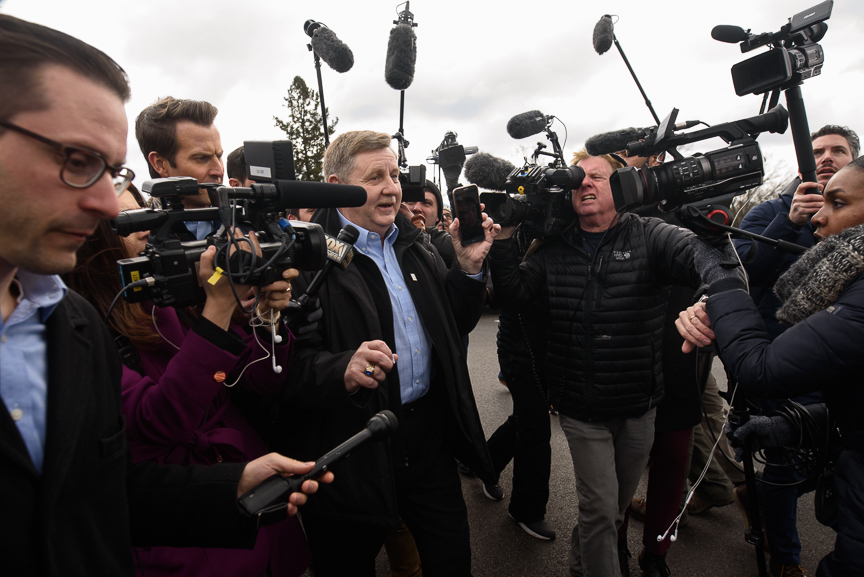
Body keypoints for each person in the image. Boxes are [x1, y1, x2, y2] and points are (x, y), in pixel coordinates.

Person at [0, 15, 328, 576]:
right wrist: (219, 308)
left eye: (110, 169)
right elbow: (156, 425)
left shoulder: (64, 319)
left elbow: (98, 498)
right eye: (77, 161)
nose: (109, 205)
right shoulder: (103, 296)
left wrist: (229, 485)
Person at [270, 130, 498, 577]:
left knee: (452, 561)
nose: (392, 187)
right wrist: (343, 369)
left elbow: (451, 327)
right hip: (351, 451)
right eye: (375, 177)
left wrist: (468, 270)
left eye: (393, 174)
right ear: (336, 185)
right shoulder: (302, 258)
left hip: (428, 441)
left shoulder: (416, 244)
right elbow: (285, 370)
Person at [64, 184, 312, 577]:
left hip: (245, 483)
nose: (147, 229)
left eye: (144, 211)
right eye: (128, 223)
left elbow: (261, 379)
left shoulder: (168, 295)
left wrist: (266, 318)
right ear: (93, 241)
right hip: (184, 521)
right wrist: (217, 309)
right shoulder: (82, 325)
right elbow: (159, 419)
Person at [488, 149, 700, 577]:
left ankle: (579, 563)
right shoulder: (551, 251)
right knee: (601, 511)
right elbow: (511, 294)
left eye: (598, 177)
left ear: (620, 186)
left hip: (640, 404)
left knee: (614, 507)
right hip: (581, 408)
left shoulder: (651, 235)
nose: (585, 184)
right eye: (577, 180)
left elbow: (698, 256)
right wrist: (506, 235)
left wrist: (716, 297)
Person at [677, 156, 864, 577]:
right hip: (791, 362)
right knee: (781, 465)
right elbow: (753, 266)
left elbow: (758, 366)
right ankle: (784, 553)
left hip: (775, 358)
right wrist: (801, 425)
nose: (819, 217)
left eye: (838, 202)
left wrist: (720, 277)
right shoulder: (772, 211)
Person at [731, 125, 859, 577]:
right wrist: (788, 222)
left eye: (837, 151)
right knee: (785, 456)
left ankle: (759, 494)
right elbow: (738, 275)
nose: (825, 157)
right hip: (780, 357)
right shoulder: (771, 209)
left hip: (842, 361)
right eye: (818, 149)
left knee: (834, 457)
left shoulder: (857, 219)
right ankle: (786, 556)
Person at [135, 96, 224, 239]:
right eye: (201, 158)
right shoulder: (140, 237)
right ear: (160, 164)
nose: (219, 170)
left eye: (219, 156)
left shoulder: (245, 221)